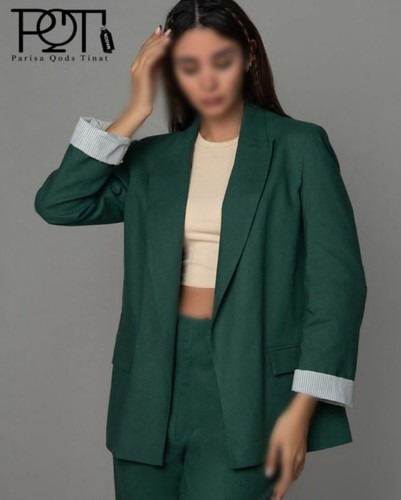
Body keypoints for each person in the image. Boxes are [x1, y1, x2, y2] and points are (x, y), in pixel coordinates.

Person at [34, 1, 367, 499]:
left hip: (248, 385)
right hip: (148, 387)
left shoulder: (299, 147)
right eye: (188, 67)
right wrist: (135, 110)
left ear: (248, 55)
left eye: (221, 61)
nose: (207, 80)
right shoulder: (152, 160)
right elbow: (59, 203)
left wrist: (302, 410)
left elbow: (337, 288)